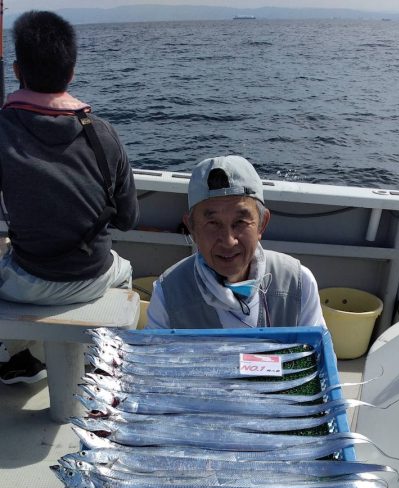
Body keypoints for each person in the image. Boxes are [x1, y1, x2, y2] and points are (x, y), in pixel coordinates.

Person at [0, 10, 139, 384]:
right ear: (72, 73)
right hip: (95, 276)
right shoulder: (103, 133)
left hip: (27, 283)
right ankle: (105, 363)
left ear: (17, 70)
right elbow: (128, 219)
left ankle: (20, 358)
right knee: (124, 271)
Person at [146, 154, 325, 330]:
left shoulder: (299, 283)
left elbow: (316, 349)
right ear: (192, 228)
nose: (228, 241)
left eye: (240, 222)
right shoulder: (168, 292)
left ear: (262, 224)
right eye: (213, 223)